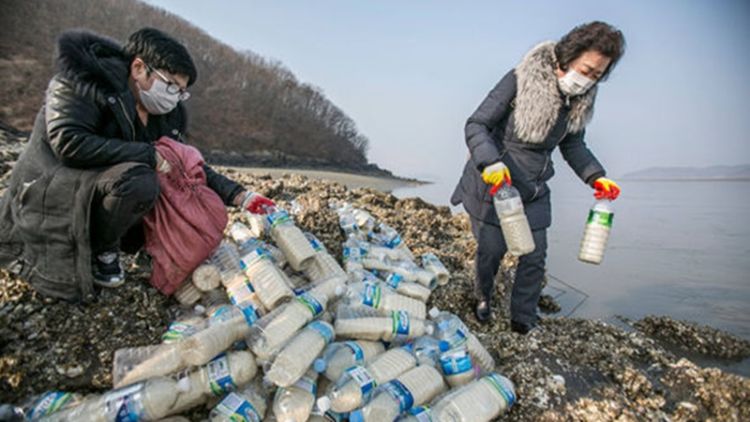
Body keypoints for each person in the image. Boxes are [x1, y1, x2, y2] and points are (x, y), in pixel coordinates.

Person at [0, 28, 274, 302]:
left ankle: (128, 245)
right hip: (55, 186)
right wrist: (147, 154)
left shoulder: (165, 114)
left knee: (173, 198)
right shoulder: (84, 82)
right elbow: (69, 142)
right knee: (141, 180)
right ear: (139, 68)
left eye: (180, 92)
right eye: (169, 86)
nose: (173, 97)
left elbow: (186, 163)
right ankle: (102, 250)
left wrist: (240, 195)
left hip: (109, 189)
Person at [450, 21, 625, 333]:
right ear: (567, 57)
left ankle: (523, 320)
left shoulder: (578, 101)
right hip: (495, 181)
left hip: (533, 188)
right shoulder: (520, 79)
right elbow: (476, 124)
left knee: (534, 257)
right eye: (585, 70)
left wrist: (596, 177)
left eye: (596, 76)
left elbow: (573, 143)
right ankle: (483, 297)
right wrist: (489, 162)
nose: (587, 81)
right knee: (491, 252)